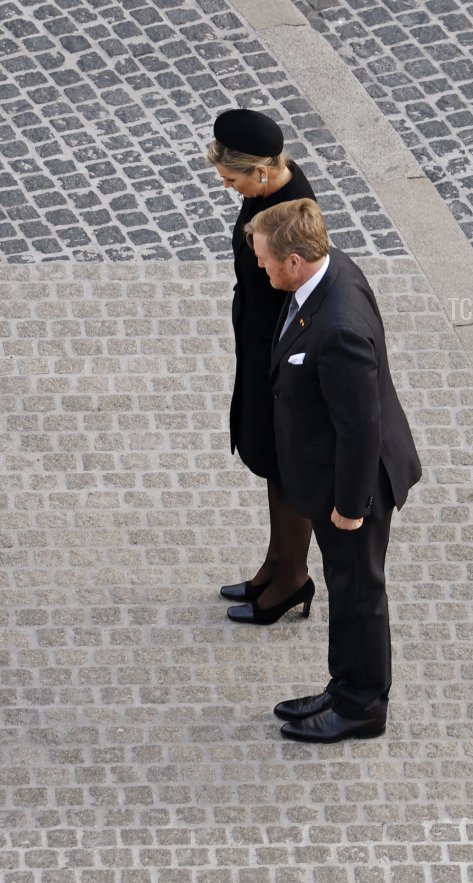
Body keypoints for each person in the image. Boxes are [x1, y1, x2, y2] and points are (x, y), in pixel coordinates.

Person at [244, 199, 422, 743]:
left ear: (295, 261)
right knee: (348, 591)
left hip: (355, 486)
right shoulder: (326, 273)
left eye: (266, 260)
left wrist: (349, 506)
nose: (261, 268)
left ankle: (361, 705)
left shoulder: (339, 326)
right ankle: (344, 686)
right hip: (334, 475)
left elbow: (360, 427)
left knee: (357, 594)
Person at [208, 108, 318, 626]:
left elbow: (300, 291)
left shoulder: (288, 210)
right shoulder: (267, 189)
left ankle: (292, 578)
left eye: (232, 179)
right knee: (275, 463)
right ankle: (275, 565)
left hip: (280, 348)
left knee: (285, 463)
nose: (228, 187)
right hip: (260, 338)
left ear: (260, 172)